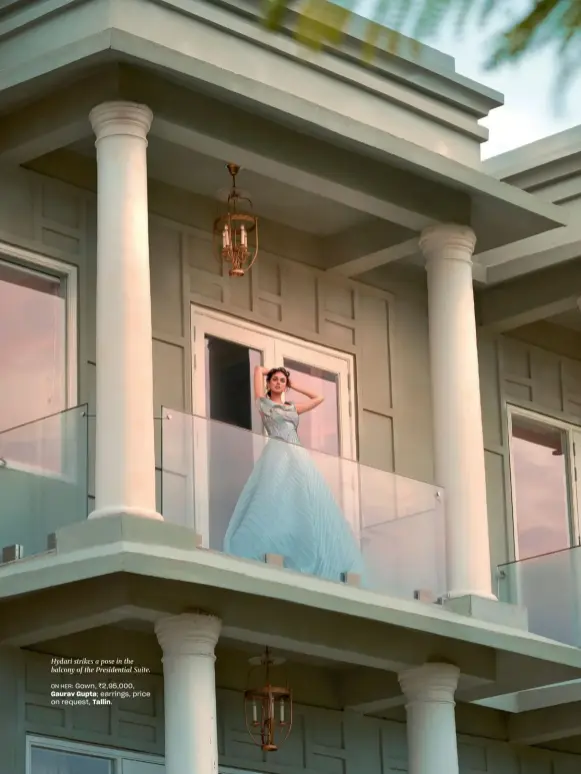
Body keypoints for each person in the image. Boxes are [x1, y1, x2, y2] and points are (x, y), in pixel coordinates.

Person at [223, 364, 366, 582]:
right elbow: (257, 370)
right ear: (269, 384)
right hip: (277, 454)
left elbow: (319, 397)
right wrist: (265, 372)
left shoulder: (291, 407)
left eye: (282, 380)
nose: (279, 383)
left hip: (297, 455)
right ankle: (273, 549)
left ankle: (310, 549)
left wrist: (294, 384)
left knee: (306, 501)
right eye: (275, 380)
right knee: (274, 498)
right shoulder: (264, 404)